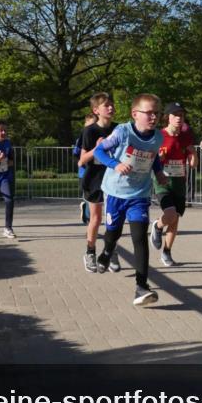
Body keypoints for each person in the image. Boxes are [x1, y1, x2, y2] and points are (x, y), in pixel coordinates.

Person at [93, 93, 169, 306]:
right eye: (149, 113)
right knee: (113, 233)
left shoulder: (158, 137)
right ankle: (106, 252)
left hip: (139, 195)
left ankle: (141, 286)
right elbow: (99, 151)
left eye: (156, 113)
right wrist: (115, 164)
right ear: (135, 114)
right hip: (116, 192)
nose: (153, 117)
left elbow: (153, 159)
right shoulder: (122, 132)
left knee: (139, 237)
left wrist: (160, 172)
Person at [77, 93, 119, 273]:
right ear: (96, 110)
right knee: (96, 218)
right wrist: (98, 148)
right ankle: (90, 252)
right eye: (106, 105)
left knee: (114, 219)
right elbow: (81, 160)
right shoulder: (90, 131)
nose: (111, 108)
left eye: (112, 105)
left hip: (115, 179)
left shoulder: (119, 129)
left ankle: (110, 251)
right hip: (95, 179)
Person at [149, 102, 196, 267]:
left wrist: (192, 156)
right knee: (170, 214)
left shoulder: (185, 136)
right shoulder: (158, 135)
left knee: (175, 220)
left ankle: (167, 252)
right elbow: (151, 155)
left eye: (181, 115)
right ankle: (157, 225)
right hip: (163, 182)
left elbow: (192, 159)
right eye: (175, 115)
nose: (179, 118)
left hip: (179, 182)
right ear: (168, 117)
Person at [73, 113, 96, 226]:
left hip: (96, 172)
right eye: (89, 125)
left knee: (95, 197)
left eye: (94, 124)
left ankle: (90, 218)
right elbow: (76, 153)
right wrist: (82, 161)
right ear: (85, 124)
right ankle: (90, 221)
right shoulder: (81, 138)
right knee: (89, 197)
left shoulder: (99, 137)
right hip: (84, 172)